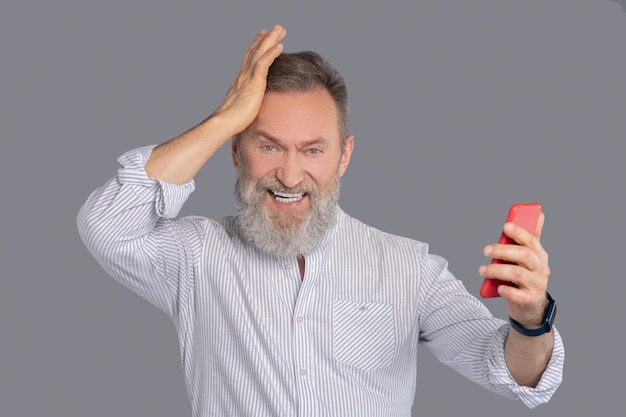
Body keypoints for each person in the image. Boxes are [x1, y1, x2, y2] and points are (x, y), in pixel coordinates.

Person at [77, 25, 564, 417]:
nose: (290, 175)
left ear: (344, 156)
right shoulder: (197, 256)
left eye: (312, 150)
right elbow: (107, 225)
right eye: (268, 145)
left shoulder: (408, 268)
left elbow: (513, 375)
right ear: (235, 151)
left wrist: (529, 322)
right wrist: (226, 116)